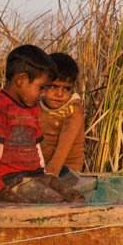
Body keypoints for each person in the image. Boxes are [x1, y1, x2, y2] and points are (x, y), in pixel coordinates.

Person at [0, 45, 84, 204]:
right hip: (13, 182)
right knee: (58, 202)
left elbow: (36, 146)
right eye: (41, 88)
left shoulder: (31, 107)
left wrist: (43, 172)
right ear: (21, 80)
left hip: (36, 176)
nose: (42, 94)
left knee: (76, 198)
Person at [38, 52, 91, 192]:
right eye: (54, 86)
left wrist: (50, 175)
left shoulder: (73, 111)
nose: (60, 94)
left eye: (66, 88)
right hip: (42, 167)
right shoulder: (37, 104)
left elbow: (63, 149)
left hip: (66, 169)